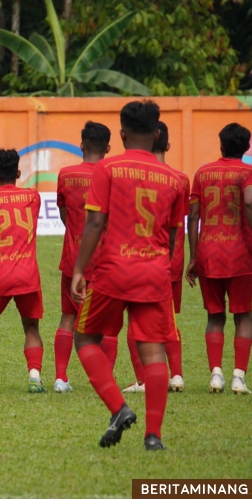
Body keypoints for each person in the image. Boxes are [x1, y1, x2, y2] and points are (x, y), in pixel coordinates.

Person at [72, 100, 185, 451]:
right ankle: (153, 436)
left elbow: (94, 222)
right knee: (153, 353)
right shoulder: (175, 178)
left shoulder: (107, 169)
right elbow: (169, 234)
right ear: (156, 134)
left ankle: (119, 408)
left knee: (85, 339)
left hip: (112, 271)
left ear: (121, 134)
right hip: (154, 273)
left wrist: (79, 269)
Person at [185, 123, 252, 395]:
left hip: (208, 252)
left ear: (221, 144)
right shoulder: (251, 172)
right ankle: (238, 377)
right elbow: (248, 201)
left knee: (214, 315)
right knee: (243, 315)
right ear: (247, 147)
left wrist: (193, 256)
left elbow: (194, 217)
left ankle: (216, 375)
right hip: (239, 254)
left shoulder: (203, 172)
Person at [0, 149, 46, 395]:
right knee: (31, 328)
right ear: (19, 172)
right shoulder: (33, 197)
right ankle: (35, 377)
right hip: (28, 275)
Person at [123, 121, 189, 394]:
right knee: (168, 319)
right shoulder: (180, 179)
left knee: (136, 319)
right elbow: (179, 223)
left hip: (139, 259)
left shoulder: (131, 176)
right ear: (167, 144)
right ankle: (177, 376)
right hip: (170, 259)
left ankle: (142, 380)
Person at [54, 122, 112, 394]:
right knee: (109, 323)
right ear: (108, 148)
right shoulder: (113, 174)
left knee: (67, 316)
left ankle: (60, 378)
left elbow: (65, 216)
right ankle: (104, 379)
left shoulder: (66, 174)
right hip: (106, 260)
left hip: (73, 256)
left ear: (81, 145)